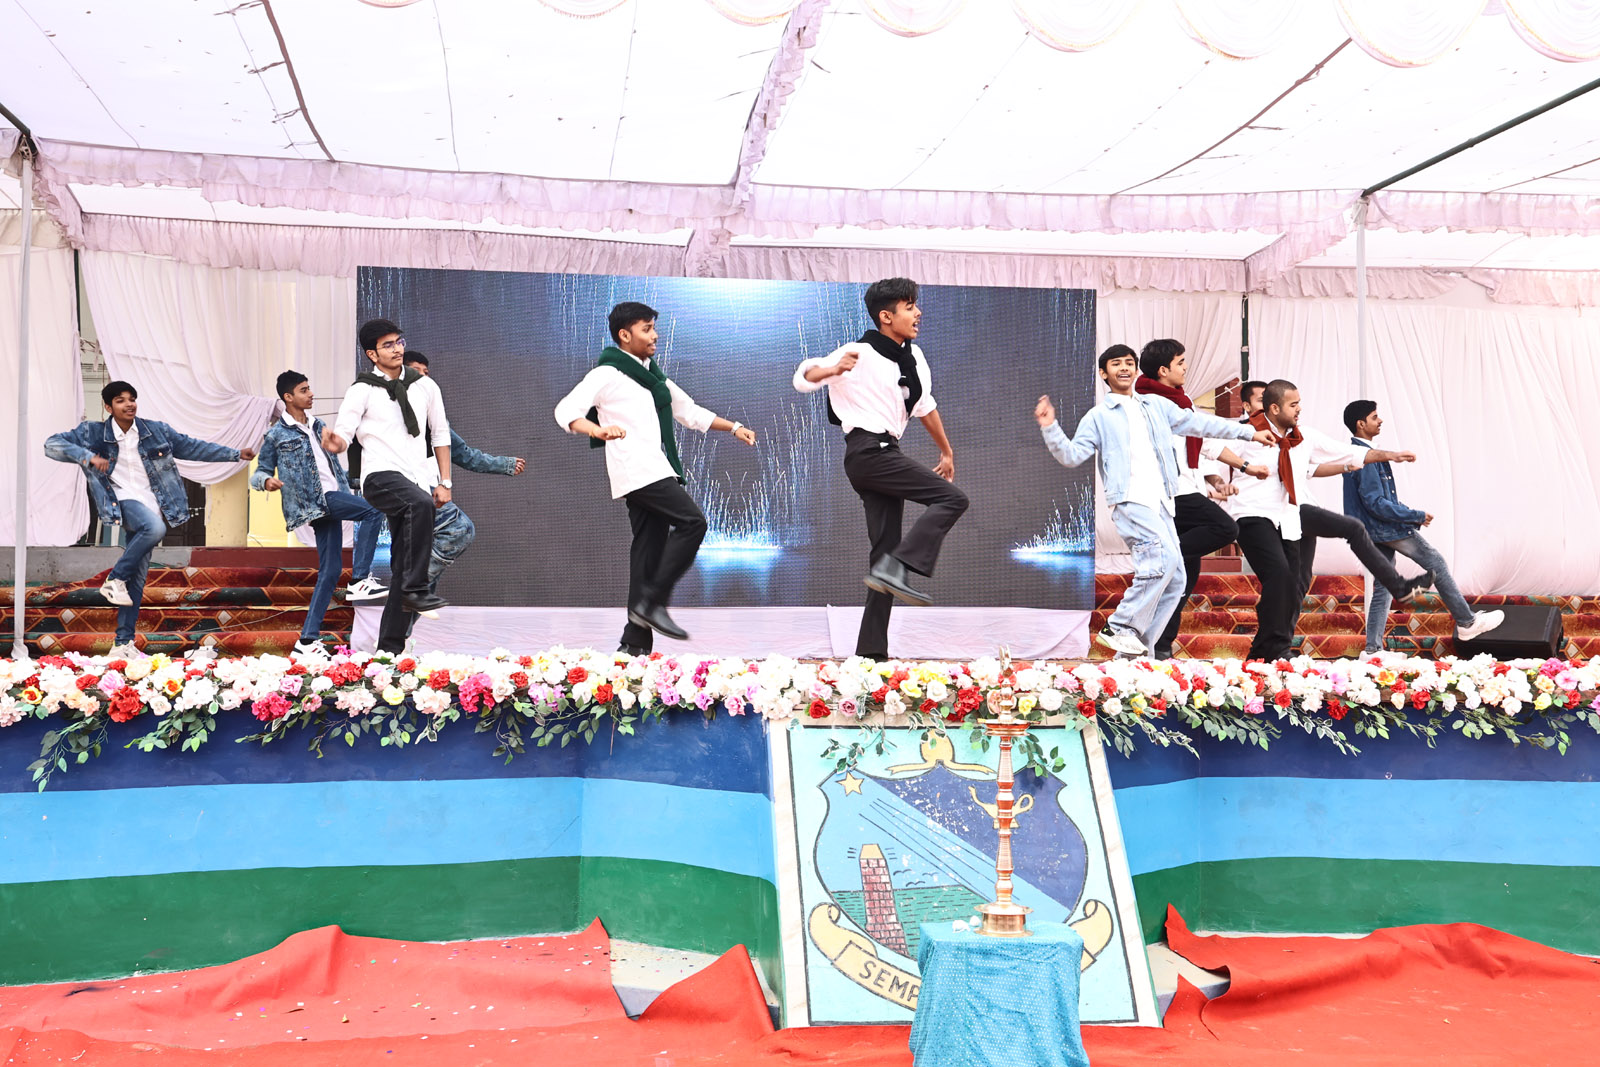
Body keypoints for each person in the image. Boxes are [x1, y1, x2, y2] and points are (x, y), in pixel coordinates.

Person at [1036, 346, 1269, 657]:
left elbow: (1201, 425)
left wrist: (1249, 433)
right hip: (1130, 500)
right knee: (1162, 563)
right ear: (1104, 373)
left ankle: (1135, 656)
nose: (1124, 368)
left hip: (1162, 501)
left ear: (1136, 371)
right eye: (1116, 364)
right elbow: (1071, 456)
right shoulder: (1098, 417)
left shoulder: (1156, 405)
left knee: (1176, 579)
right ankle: (1119, 627)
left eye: (1129, 363)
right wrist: (1050, 428)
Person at [554, 301, 757, 652]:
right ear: (624, 335)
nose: (655, 335)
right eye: (646, 329)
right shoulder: (607, 374)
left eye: (653, 328)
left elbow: (689, 411)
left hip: (655, 467)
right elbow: (565, 410)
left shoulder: (652, 376)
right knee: (693, 522)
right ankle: (653, 600)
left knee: (647, 550)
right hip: (637, 468)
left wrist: (734, 427)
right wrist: (597, 430)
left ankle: (633, 644)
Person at [793, 277, 968, 660]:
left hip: (883, 451)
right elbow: (803, 378)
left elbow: (924, 405)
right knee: (952, 500)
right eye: (909, 307)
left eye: (915, 305)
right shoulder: (857, 352)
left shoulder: (913, 358)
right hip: (869, 452)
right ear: (886, 316)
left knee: (882, 555)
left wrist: (946, 451)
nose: (918, 313)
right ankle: (900, 566)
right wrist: (830, 369)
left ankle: (870, 654)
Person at [44, 381, 256, 657]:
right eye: (120, 400)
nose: (129, 404)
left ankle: (123, 643)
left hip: (152, 503)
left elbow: (192, 447)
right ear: (108, 407)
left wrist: (234, 454)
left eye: (132, 399)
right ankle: (114, 578)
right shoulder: (92, 432)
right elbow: (52, 444)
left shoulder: (156, 431)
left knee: (136, 580)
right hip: (121, 499)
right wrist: (87, 457)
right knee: (154, 529)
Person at [1228, 380, 1418, 661]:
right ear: (1274, 408)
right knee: (1280, 576)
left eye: (1299, 403)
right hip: (1252, 512)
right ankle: (1273, 648)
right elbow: (1211, 453)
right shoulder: (1246, 433)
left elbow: (1346, 452)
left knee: (1297, 580)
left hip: (1289, 513)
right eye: (1294, 404)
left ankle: (1271, 650)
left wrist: (1390, 454)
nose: (1299, 409)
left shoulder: (1303, 437)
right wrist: (1227, 477)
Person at [322, 319, 452, 655]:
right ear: (372, 354)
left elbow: (440, 435)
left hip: (416, 479)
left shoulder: (426, 387)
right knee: (420, 505)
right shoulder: (362, 389)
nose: (397, 349)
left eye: (399, 341)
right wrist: (336, 443)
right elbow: (344, 431)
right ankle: (417, 589)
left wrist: (445, 481)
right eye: (388, 345)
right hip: (379, 477)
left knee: (403, 565)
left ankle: (389, 650)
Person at [1134, 339, 1267, 659]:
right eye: (1180, 363)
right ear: (1163, 370)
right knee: (1225, 528)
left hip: (1188, 487)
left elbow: (1204, 442)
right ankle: (1166, 557)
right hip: (1168, 493)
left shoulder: (1183, 401)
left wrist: (1241, 468)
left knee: (1181, 582)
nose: (1186, 368)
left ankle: (1159, 647)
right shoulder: (1145, 404)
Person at [1343, 400, 1505, 652]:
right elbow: (1376, 503)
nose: (1381, 420)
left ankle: (1373, 650)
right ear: (1360, 424)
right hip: (1383, 528)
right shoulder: (1366, 457)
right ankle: (1467, 622)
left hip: (1370, 530)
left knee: (1383, 586)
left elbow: (1377, 501)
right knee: (1435, 562)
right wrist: (1413, 515)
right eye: (1375, 417)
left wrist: (1409, 514)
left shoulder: (1358, 454)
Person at [251, 371, 388, 654]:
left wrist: (356, 478)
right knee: (373, 511)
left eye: (309, 388)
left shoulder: (319, 425)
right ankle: (360, 579)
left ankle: (307, 640)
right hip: (314, 501)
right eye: (304, 390)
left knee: (330, 571)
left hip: (332, 495)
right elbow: (260, 471)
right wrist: (266, 481)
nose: (311, 393)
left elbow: (329, 467)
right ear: (288, 397)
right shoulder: (276, 434)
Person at [401, 351, 526, 614]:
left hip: (430, 490)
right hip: (404, 490)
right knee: (459, 529)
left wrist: (502, 464)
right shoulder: (387, 406)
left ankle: (400, 629)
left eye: (426, 372)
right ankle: (411, 587)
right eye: (415, 371)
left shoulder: (434, 414)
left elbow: (463, 453)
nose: (423, 377)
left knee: (426, 585)